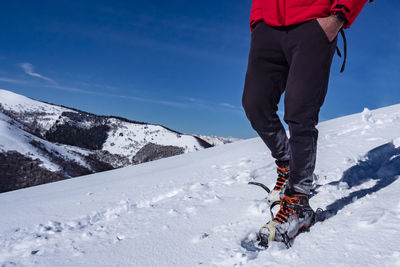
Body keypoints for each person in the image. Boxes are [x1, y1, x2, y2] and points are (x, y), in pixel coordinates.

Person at [242, 0, 368, 245]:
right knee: (255, 105)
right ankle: (287, 164)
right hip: (267, 27)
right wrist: (258, 21)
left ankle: (298, 201)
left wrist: (339, 16)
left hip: (313, 24)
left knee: (301, 112)